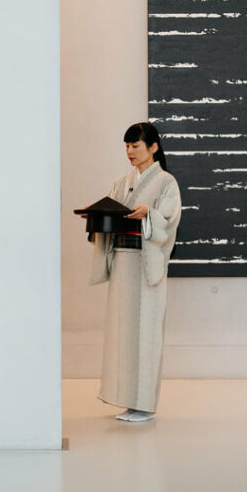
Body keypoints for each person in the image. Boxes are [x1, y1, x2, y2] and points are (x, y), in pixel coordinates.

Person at [86, 122, 181, 422]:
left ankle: (145, 405)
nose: (129, 152)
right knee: (124, 333)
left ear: (153, 147)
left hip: (146, 263)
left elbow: (167, 221)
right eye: (126, 146)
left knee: (146, 332)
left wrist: (148, 214)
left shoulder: (166, 182)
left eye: (135, 146)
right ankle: (128, 400)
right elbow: (111, 216)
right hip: (124, 263)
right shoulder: (121, 181)